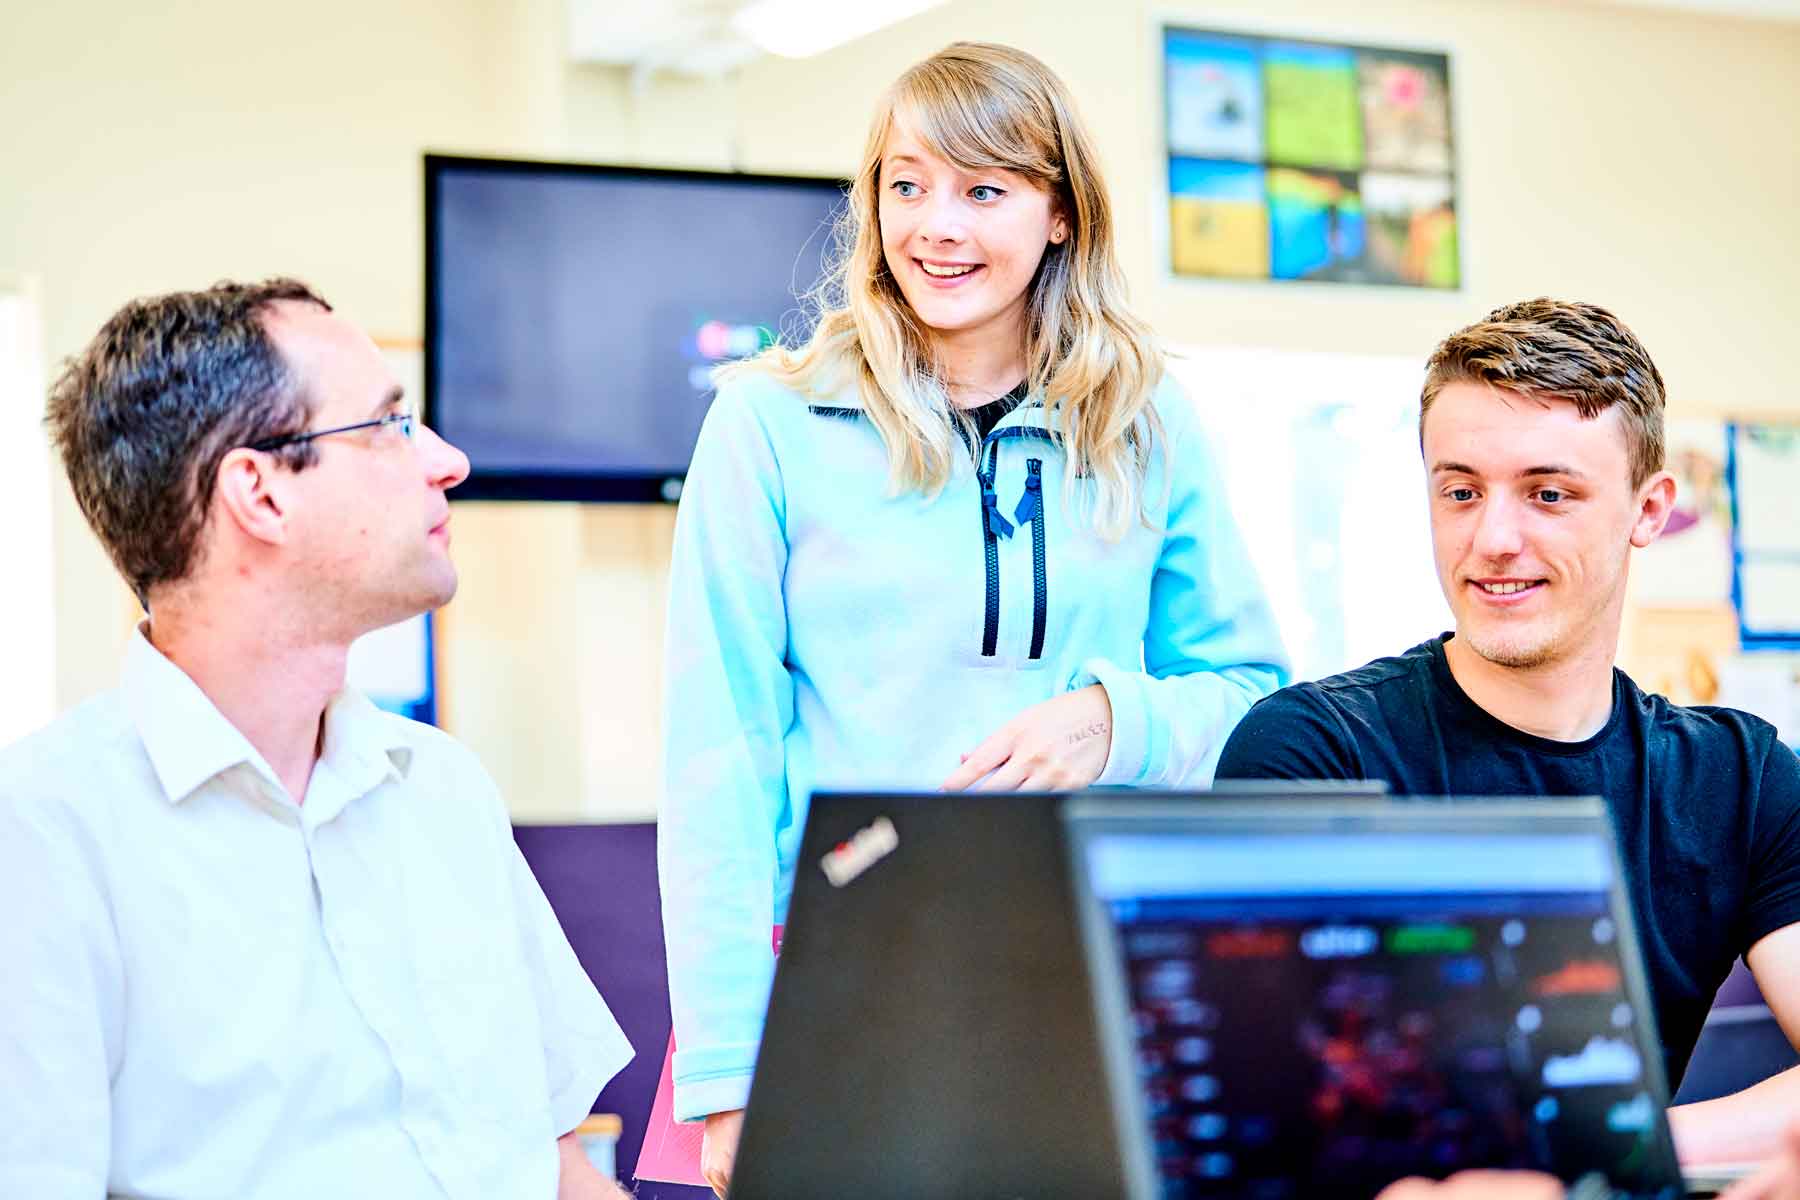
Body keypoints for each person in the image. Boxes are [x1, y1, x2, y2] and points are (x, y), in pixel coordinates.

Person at [657, 41, 1288, 1195]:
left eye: (983, 190)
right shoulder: (770, 422)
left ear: (1058, 214)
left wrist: (1116, 720)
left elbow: (1257, 703)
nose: (936, 225)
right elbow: (717, 759)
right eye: (908, 185)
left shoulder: (1150, 424)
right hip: (850, 972)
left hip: (1095, 972)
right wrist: (729, 1073)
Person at [0, 280, 634, 1199]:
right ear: (258, 491)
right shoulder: (44, 838)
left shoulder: (443, 790)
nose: (449, 460)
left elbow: (556, 1161)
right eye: (388, 426)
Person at [1215, 298, 1800, 1166]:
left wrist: (1622, 1150)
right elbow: (1272, 1118)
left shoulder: (1739, 778)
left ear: (1649, 510)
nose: (1492, 538)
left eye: (1548, 494)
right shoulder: (1311, 754)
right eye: (1460, 491)